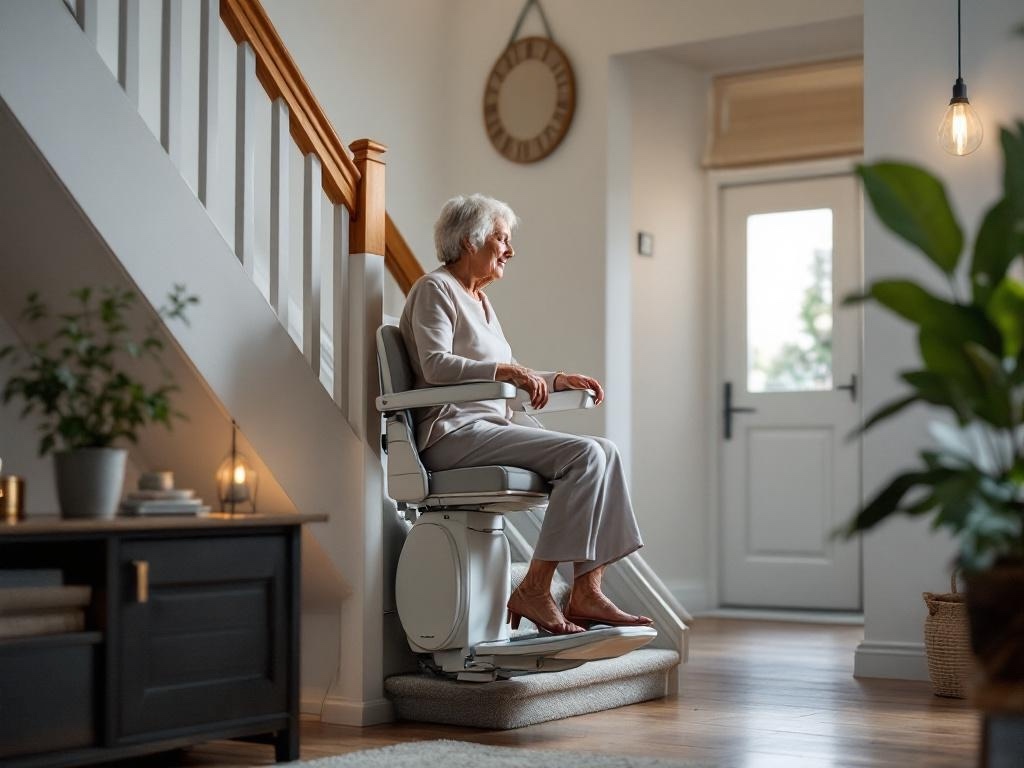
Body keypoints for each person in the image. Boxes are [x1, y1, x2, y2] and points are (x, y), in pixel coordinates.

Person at [399, 193, 652, 635]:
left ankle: (587, 590)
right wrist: (505, 369)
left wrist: (555, 380)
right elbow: (436, 366)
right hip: (450, 433)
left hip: (487, 426)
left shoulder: (480, 301)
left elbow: (503, 381)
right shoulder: (434, 289)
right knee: (586, 456)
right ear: (469, 240)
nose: (509, 251)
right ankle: (536, 588)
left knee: (604, 451)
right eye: (502, 239)